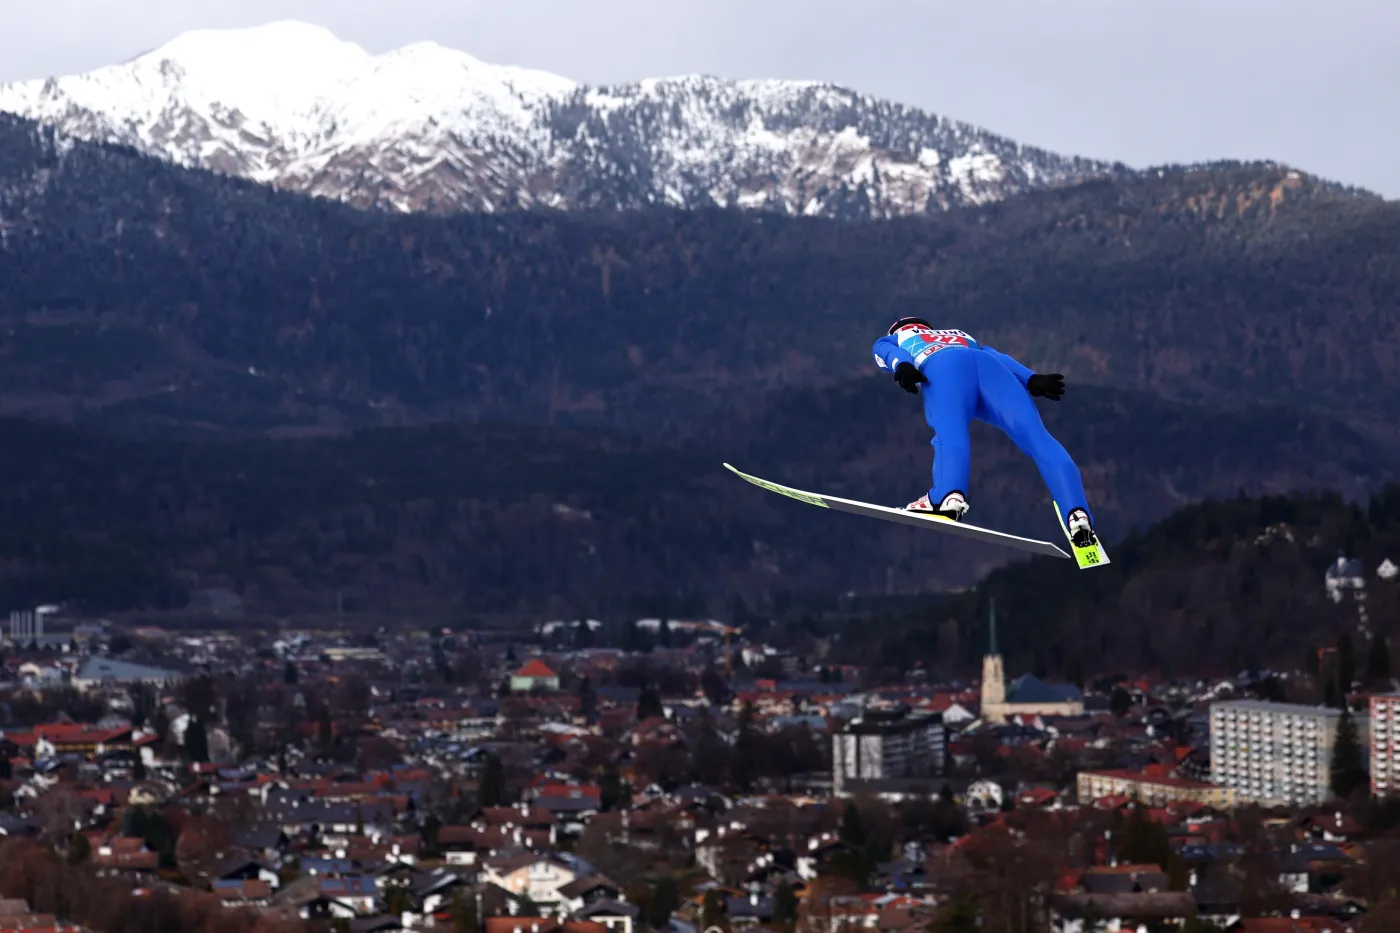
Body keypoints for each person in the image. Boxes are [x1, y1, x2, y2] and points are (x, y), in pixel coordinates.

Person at [872, 317, 1097, 548]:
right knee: (1040, 439)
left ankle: (948, 496)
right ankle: (1077, 514)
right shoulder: (960, 335)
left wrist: (903, 365)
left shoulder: (894, 338)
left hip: (943, 368)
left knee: (951, 432)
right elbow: (997, 357)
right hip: (990, 368)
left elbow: (887, 353)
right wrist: (1032, 378)